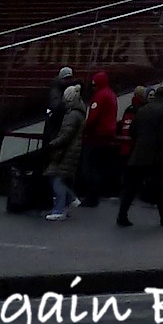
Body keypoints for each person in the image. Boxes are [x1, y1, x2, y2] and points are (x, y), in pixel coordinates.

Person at [117, 83, 163, 227]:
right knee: (158, 184)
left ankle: (122, 214)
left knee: (133, 186)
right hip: (154, 154)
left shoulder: (142, 110)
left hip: (139, 153)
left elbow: (132, 131)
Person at [46, 84, 85, 221]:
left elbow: (66, 134)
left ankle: (59, 209)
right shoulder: (78, 112)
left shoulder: (72, 115)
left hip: (66, 152)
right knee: (59, 178)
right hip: (71, 151)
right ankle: (71, 200)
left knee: (56, 179)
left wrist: (53, 143)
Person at [80, 67, 118, 201]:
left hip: (96, 136)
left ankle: (91, 196)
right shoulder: (111, 94)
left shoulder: (100, 96)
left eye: (94, 84)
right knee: (100, 167)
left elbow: (93, 118)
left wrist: (83, 130)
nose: (93, 87)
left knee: (89, 167)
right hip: (108, 136)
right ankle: (98, 193)